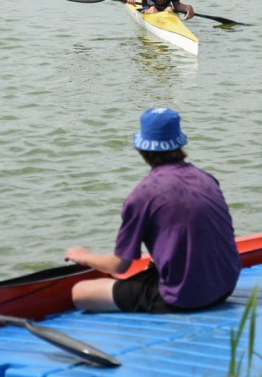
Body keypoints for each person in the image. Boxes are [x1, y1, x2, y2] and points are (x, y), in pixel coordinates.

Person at [64, 108, 241, 313]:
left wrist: (84, 256)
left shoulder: (141, 195)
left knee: (80, 292)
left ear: (141, 148)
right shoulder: (206, 179)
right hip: (226, 286)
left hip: (183, 298)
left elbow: (118, 266)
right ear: (179, 143)